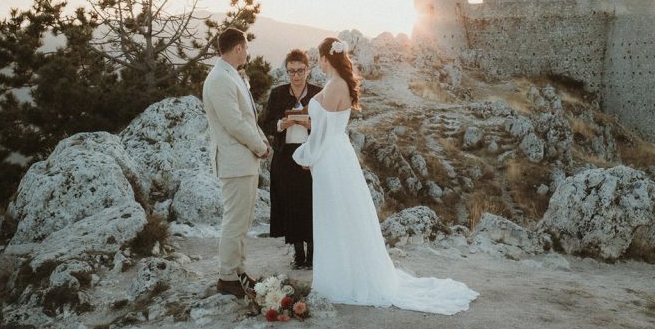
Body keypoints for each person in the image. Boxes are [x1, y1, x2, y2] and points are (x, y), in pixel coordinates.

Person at [293, 37, 478, 314]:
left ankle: (342, 280)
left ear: (324, 58)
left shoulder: (333, 87)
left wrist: (305, 156)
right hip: (337, 154)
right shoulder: (339, 85)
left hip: (329, 157)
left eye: (319, 57)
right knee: (342, 215)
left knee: (334, 215)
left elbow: (321, 134)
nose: (318, 62)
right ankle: (346, 273)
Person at [202, 27, 271, 298]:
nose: (248, 52)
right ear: (239, 48)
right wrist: (259, 146)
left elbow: (246, 117)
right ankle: (227, 276)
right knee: (234, 220)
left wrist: (260, 142)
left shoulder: (231, 75)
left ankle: (239, 270)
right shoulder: (219, 79)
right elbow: (235, 123)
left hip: (243, 161)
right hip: (234, 160)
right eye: (246, 47)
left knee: (243, 220)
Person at [260, 49, 320, 269]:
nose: (296, 75)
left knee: (311, 203)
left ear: (308, 70)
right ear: (286, 71)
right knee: (291, 204)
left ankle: (313, 254)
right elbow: (266, 122)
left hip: (311, 155)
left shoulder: (318, 93)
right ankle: (298, 254)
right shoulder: (277, 94)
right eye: (291, 71)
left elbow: (326, 126)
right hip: (286, 156)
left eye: (300, 70)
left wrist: (311, 124)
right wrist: (279, 125)